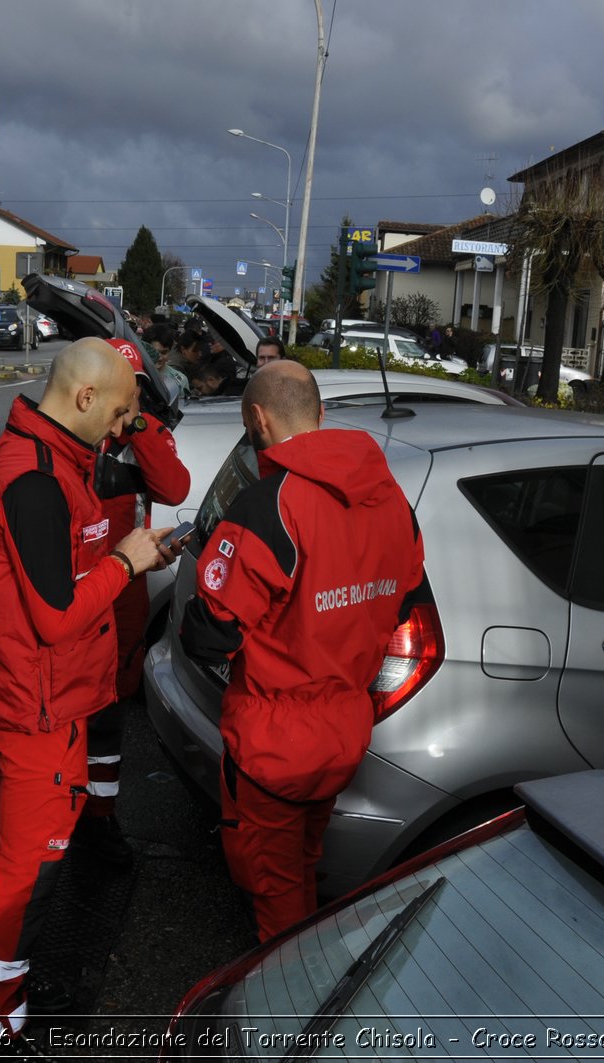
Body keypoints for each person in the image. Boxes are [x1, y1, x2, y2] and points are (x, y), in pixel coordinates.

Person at [0, 338, 175, 1048]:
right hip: (36, 703)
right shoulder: (35, 478)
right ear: (84, 398)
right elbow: (56, 616)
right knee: (33, 866)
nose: (122, 430)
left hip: (36, 695)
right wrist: (125, 558)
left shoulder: (42, 458)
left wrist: (121, 558)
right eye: (118, 412)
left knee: (13, 851)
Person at [179, 360, 425, 942]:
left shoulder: (270, 505)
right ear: (320, 414)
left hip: (272, 741)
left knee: (274, 891)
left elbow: (210, 632)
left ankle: (283, 1017)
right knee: (305, 862)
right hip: (344, 728)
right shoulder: (389, 497)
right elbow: (403, 598)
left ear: (256, 419)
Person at [75, 338, 191, 868]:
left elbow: (173, 486)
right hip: (79, 587)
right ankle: (65, 812)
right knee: (72, 706)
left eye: (133, 389)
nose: (122, 403)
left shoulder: (142, 435)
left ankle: (99, 819)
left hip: (123, 593)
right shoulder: (72, 436)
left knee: (112, 707)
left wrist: (140, 424)